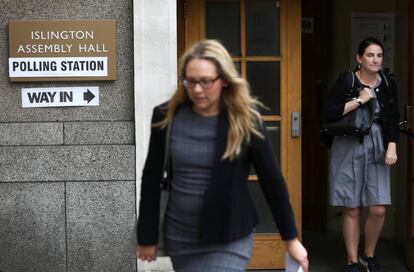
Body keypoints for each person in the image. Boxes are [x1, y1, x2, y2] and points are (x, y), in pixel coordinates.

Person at [135, 39, 309, 271]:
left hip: (230, 235)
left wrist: (291, 238)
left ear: (224, 79)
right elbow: (151, 177)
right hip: (182, 234)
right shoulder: (165, 116)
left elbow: (271, 181)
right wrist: (147, 235)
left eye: (206, 82)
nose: (197, 89)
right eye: (190, 81)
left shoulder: (246, 119)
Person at [324, 37, 399, 272]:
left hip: (378, 143)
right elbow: (330, 113)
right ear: (359, 58)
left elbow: (393, 115)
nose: (376, 59)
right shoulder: (347, 81)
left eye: (379, 55)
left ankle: (369, 256)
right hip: (348, 144)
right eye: (370, 55)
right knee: (352, 207)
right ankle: (352, 261)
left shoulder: (387, 82)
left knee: (378, 207)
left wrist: (392, 145)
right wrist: (359, 100)